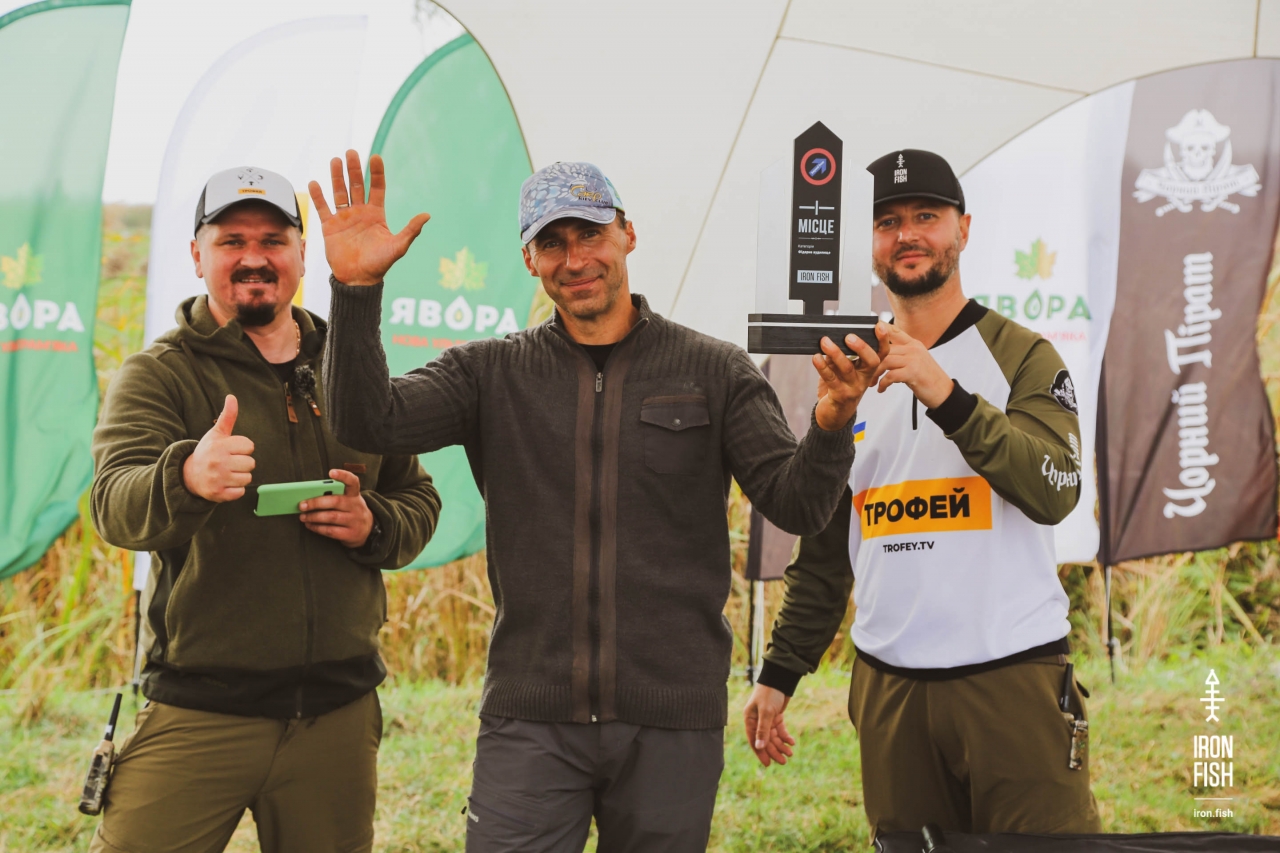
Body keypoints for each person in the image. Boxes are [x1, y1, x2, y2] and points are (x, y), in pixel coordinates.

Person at [309, 152, 877, 852]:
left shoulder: (715, 369)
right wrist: (356, 288)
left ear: (627, 235)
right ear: (530, 260)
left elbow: (798, 506)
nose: (575, 259)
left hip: (672, 722)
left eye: (590, 234)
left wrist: (831, 422)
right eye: (552, 242)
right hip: (530, 720)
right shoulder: (489, 373)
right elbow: (368, 420)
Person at [743, 149, 1101, 837]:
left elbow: (1054, 490)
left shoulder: (1023, 355)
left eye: (926, 216)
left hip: (1012, 676)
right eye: (887, 222)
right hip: (891, 688)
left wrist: (947, 394)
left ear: (963, 228)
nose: (907, 234)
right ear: (870, 243)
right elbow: (827, 549)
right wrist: (780, 671)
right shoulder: (850, 369)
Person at [89, 165, 441, 853]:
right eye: (232, 241)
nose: (254, 257)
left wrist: (374, 524)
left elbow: (417, 497)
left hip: (337, 714)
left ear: (302, 255)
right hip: (199, 709)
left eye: (273, 240)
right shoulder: (159, 374)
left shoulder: (353, 364)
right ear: (197, 255)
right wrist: (186, 477)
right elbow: (112, 505)